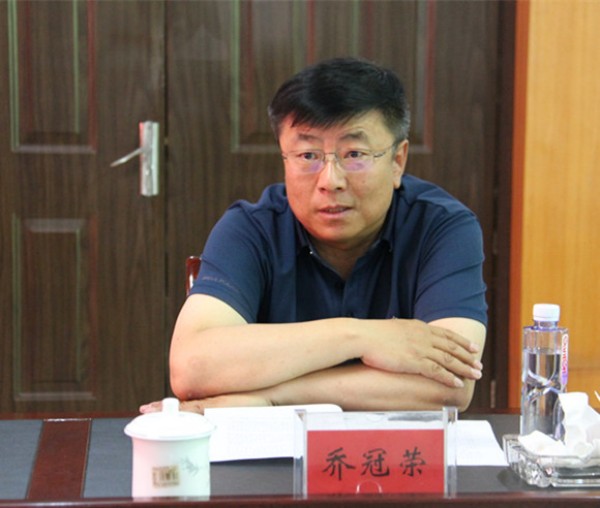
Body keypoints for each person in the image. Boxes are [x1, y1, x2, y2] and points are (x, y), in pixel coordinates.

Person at [141, 57, 486, 414]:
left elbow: (451, 384)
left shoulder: (443, 228)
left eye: (354, 154)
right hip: (272, 450)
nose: (330, 180)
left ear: (398, 161)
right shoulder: (250, 228)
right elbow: (192, 367)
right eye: (308, 155)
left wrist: (271, 397)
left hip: (398, 446)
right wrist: (363, 336)